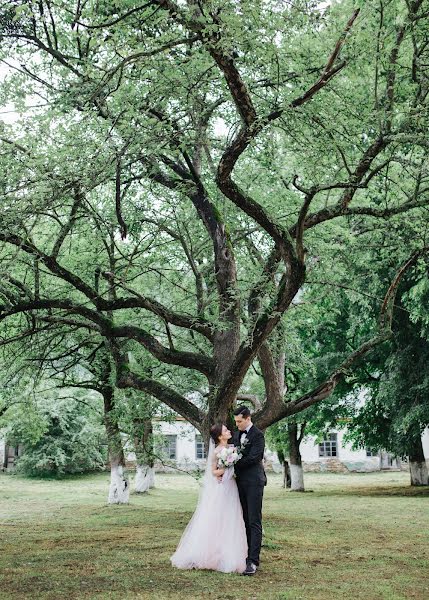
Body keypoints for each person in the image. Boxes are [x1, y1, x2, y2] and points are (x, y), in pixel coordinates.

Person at [170, 423, 247, 573]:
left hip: (231, 486)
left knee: (232, 518)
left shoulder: (233, 448)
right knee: (217, 519)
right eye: (225, 430)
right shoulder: (217, 452)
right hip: (222, 488)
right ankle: (211, 554)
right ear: (220, 436)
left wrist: (233, 463)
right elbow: (213, 472)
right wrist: (227, 466)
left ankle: (229, 552)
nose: (229, 430)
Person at [232, 405, 267, 576]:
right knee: (244, 519)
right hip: (239, 483)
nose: (237, 424)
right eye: (236, 422)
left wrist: (234, 462)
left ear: (247, 418)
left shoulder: (258, 435)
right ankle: (245, 555)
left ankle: (253, 561)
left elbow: (255, 458)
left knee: (254, 520)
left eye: (239, 421)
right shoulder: (237, 433)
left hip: (254, 482)